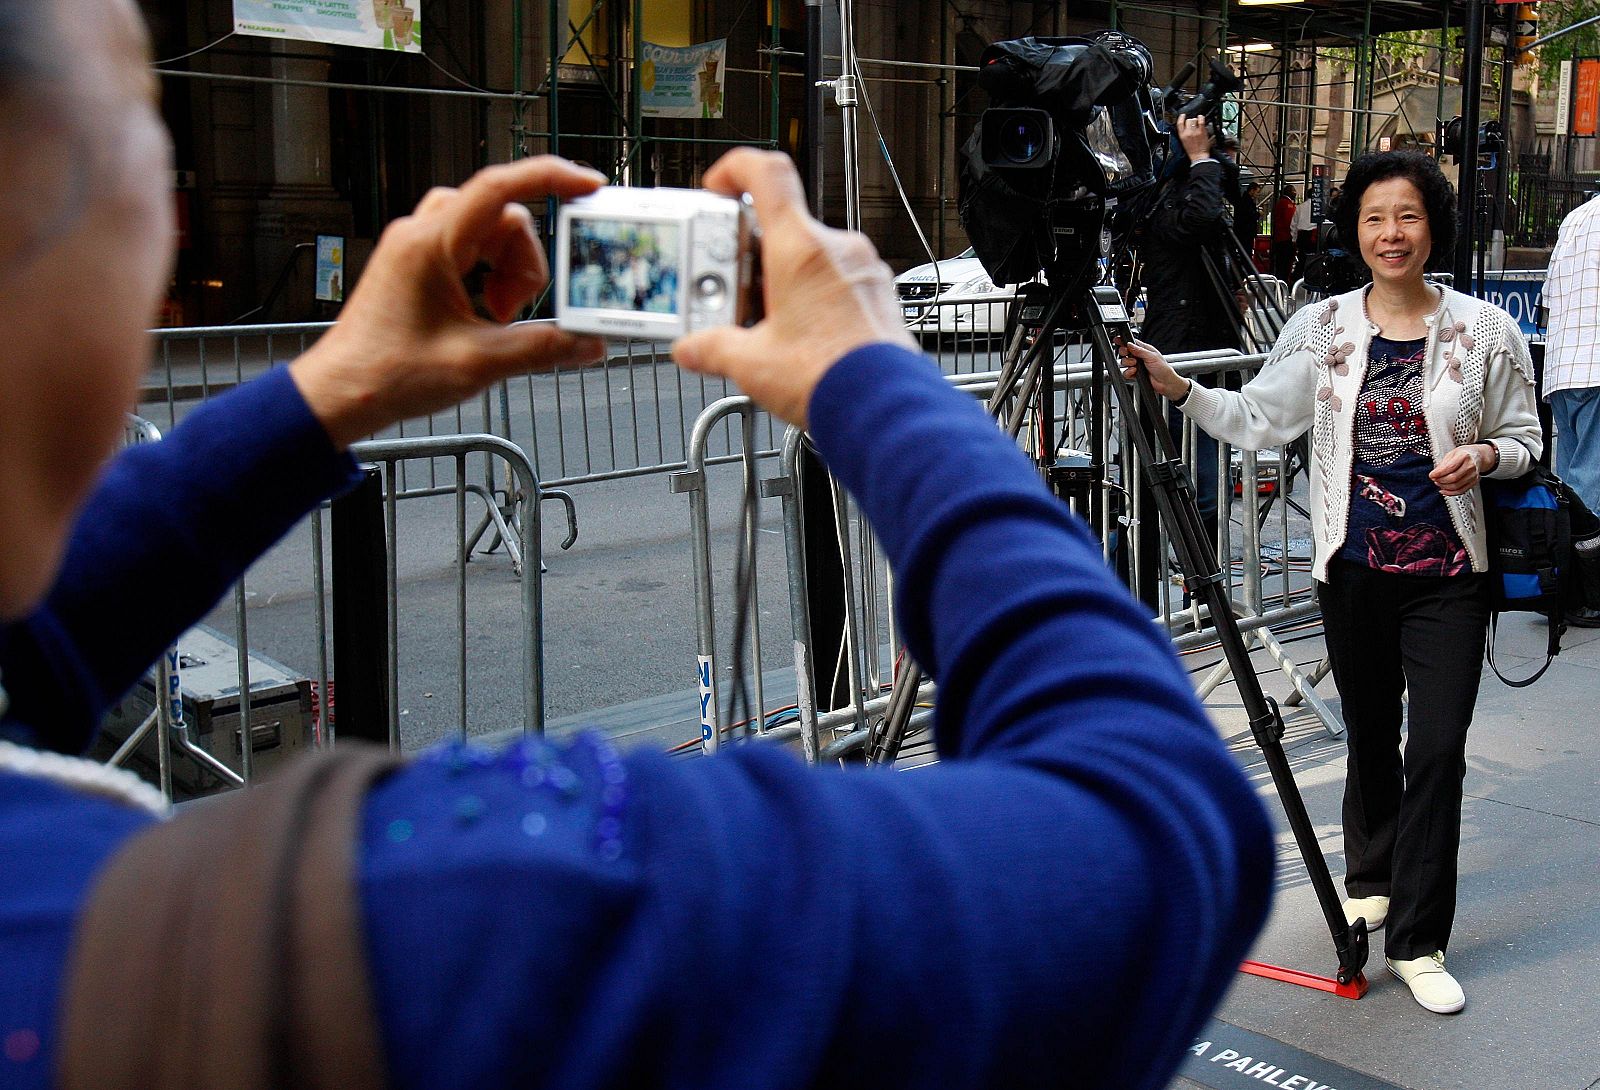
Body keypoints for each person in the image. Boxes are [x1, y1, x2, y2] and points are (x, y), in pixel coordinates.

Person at [0, 4, 1274, 1089]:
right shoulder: (441, 908)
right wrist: (875, 382)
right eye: (144, 131)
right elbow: (1152, 832)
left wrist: (326, 391)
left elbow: (30, 644)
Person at [1121, 150, 1542, 1016]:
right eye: (1376, 218)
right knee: (1369, 734)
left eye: (1410, 217)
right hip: (1352, 572)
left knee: (1435, 750)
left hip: (1450, 576)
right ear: (1355, 230)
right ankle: (1371, 879)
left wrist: (1489, 455)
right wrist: (1182, 388)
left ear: (1434, 229)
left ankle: (1419, 938)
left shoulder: (1486, 331)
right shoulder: (1322, 328)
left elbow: (1529, 438)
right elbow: (1258, 418)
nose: (1393, 234)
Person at [1132, 114, 1239, 603]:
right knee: (1176, 481)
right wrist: (1199, 160)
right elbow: (1198, 217)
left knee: (1210, 485)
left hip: (1212, 359)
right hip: (1174, 359)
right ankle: (1161, 591)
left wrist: (1208, 166)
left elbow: (1222, 215)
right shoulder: (1167, 206)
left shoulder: (1206, 204)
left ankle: (1204, 589)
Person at [1540, 190, 1600, 627]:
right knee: (1589, 482)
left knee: (1573, 480)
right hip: (1596, 364)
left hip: (1564, 367)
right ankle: (1586, 591)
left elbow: (1546, 297)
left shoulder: (1576, 218)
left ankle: (1559, 581)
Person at [1271, 184, 1297, 281]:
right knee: (1285, 263)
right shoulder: (1286, 204)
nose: (1295, 193)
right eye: (1293, 191)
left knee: (1281, 263)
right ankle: (1283, 282)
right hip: (1286, 238)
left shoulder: (1281, 202)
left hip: (1281, 238)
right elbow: (1289, 221)